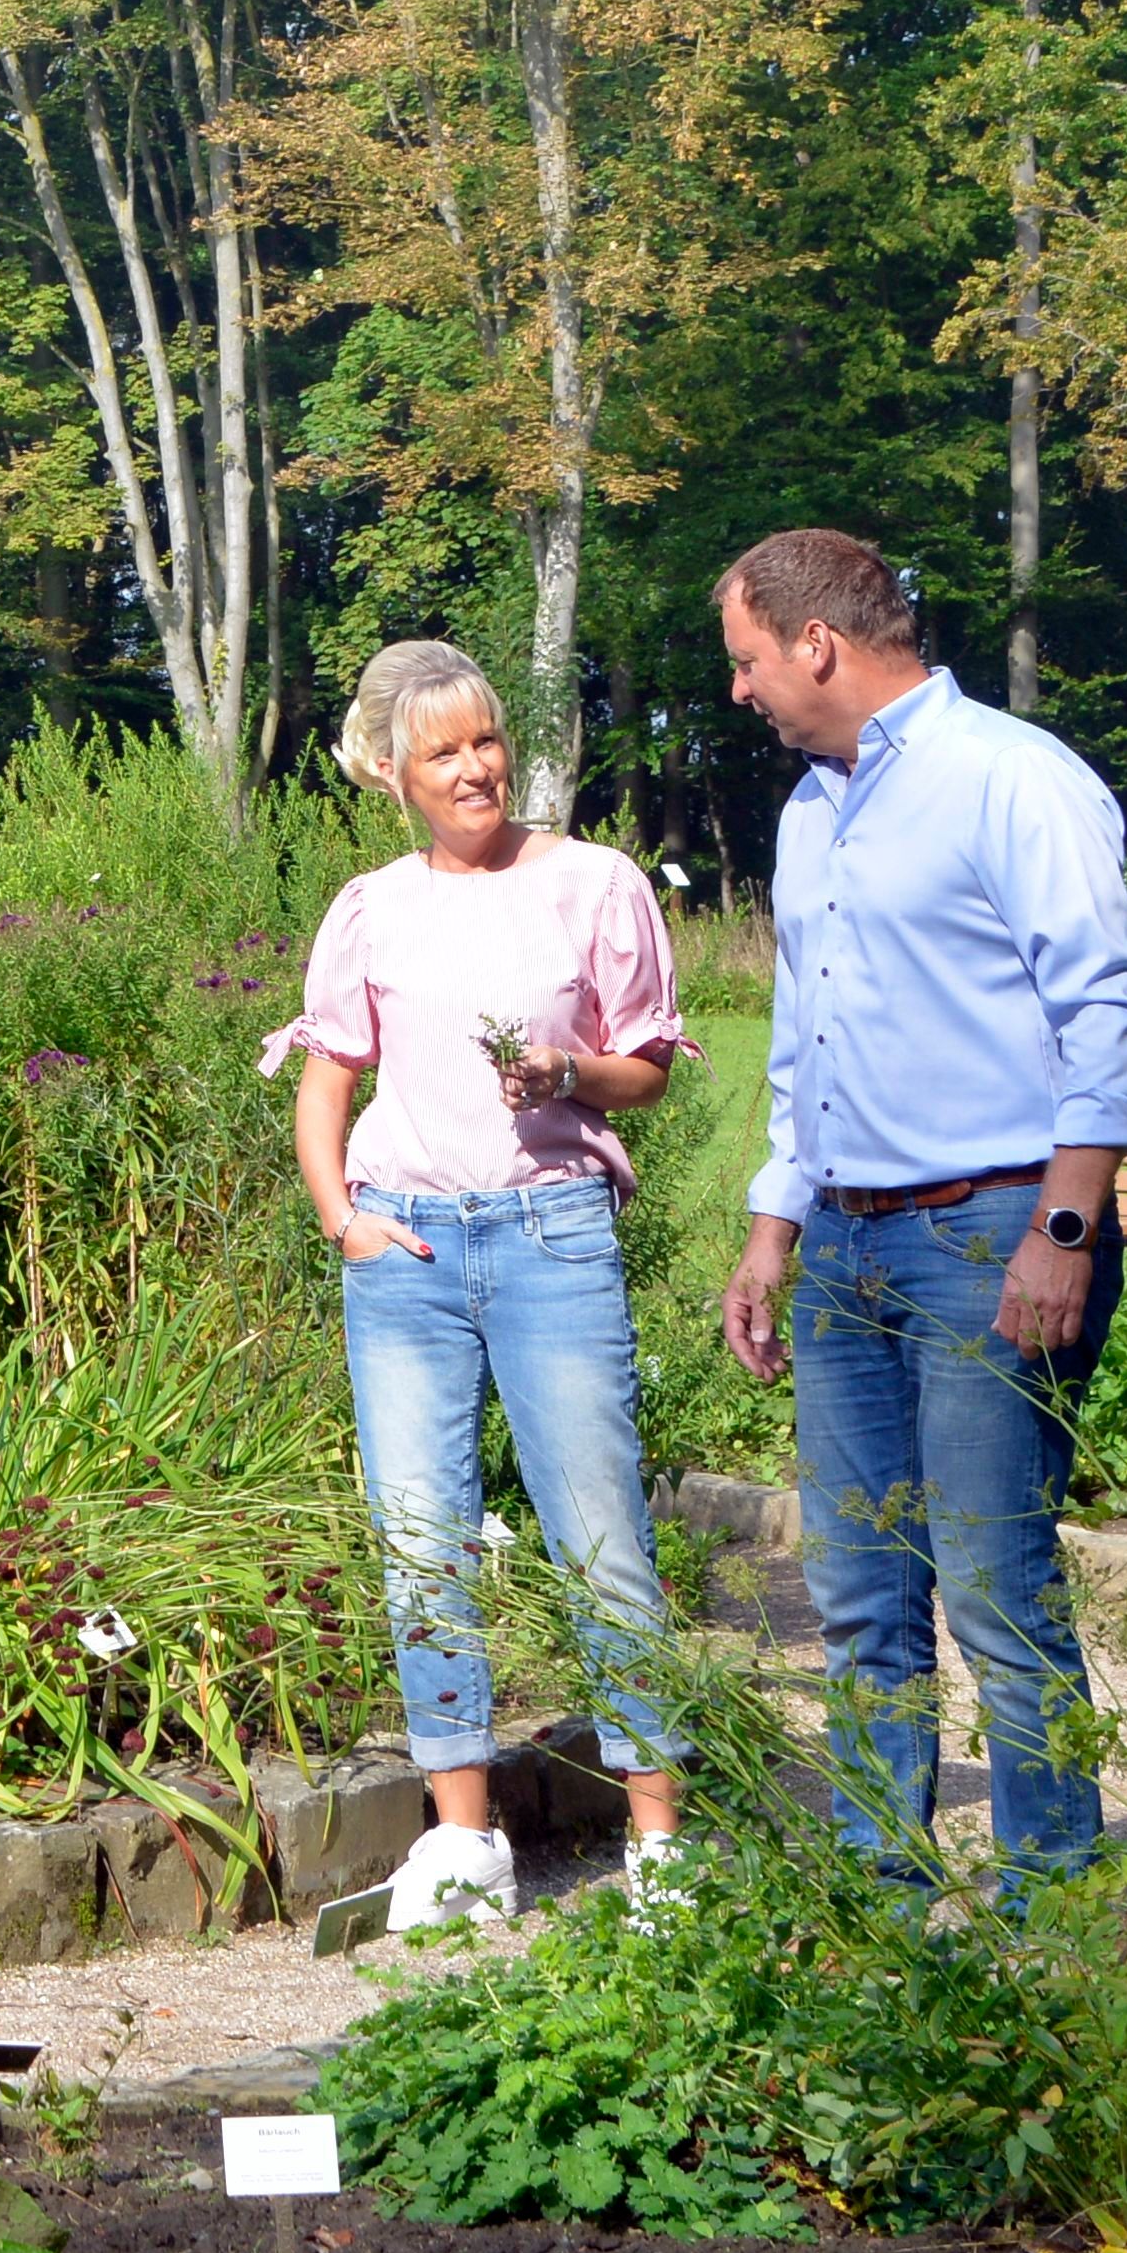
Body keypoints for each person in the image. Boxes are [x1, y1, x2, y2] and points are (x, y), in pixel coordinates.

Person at [708, 523, 1127, 1883]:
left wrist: (1064, 1231)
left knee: (996, 1592)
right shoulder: (810, 811)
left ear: (816, 645)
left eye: (745, 663)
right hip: (844, 1242)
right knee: (857, 1594)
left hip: (996, 1235)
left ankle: (1053, 1911)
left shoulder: (1013, 782)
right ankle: (877, 1894)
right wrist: (772, 1227)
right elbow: (808, 1046)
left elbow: (1110, 1020)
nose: (740, 692)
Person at [281, 635, 694, 1929]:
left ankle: (662, 1843)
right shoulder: (371, 909)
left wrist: (570, 1072)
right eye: (445, 750)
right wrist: (342, 1218)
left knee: (600, 1536)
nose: (476, 767)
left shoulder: (594, 886)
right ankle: (466, 1845)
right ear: (397, 772)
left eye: (487, 740)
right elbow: (326, 1084)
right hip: (403, 1251)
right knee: (422, 1546)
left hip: (550, 1240)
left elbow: (651, 1066)